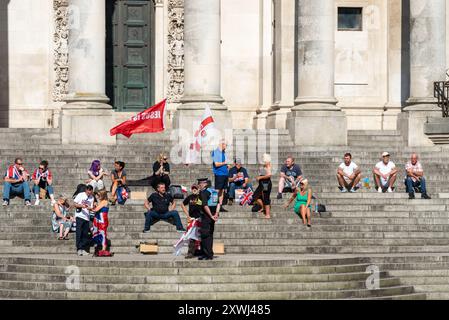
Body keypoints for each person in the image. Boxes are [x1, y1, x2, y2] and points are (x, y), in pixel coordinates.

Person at [197, 178, 219, 261]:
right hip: (213, 216)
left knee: (205, 235)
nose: (199, 185)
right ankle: (207, 253)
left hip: (207, 216)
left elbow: (205, 205)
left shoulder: (204, 192)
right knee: (209, 235)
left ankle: (207, 254)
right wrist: (216, 214)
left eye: (200, 184)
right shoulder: (213, 191)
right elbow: (219, 203)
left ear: (204, 184)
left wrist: (210, 215)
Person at [180, 184, 202, 259]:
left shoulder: (201, 196)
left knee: (200, 236)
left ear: (198, 189)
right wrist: (187, 215)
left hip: (200, 219)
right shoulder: (190, 197)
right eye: (193, 188)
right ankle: (190, 253)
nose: (194, 189)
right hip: (192, 219)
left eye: (195, 188)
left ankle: (200, 251)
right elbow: (182, 204)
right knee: (191, 236)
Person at [73, 184, 95, 256]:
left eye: (90, 192)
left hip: (86, 217)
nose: (89, 193)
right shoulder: (80, 195)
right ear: (86, 190)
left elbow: (91, 208)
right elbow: (75, 204)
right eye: (88, 192)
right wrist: (82, 206)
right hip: (79, 216)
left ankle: (84, 249)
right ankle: (79, 249)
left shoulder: (92, 197)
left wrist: (89, 208)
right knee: (79, 232)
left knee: (85, 234)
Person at [92, 190, 113, 257]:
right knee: (99, 233)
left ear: (102, 195)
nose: (97, 197)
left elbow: (95, 210)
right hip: (99, 219)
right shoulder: (102, 202)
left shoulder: (104, 202)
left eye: (99, 195)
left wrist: (88, 207)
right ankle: (100, 249)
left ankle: (103, 250)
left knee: (103, 233)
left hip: (102, 219)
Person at [252, 154, 272, 219]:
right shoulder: (264, 165)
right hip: (262, 184)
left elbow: (269, 175)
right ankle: (263, 207)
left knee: (266, 198)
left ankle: (268, 214)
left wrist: (260, 177)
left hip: (266, 183)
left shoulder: (268, 165)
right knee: (255, 196)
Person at [211, 140, 229, 212]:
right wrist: (225, 163)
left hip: (225, 174)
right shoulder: (215, 152)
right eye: (226, 145)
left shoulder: (223, 153)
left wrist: (226, 166)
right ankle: (213, 205)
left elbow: (222, 163)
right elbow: (216, 164)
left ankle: (220, 206)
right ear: (222, 144)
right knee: (217, 190)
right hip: (219, 174)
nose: (226, 147)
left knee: (222, 190)